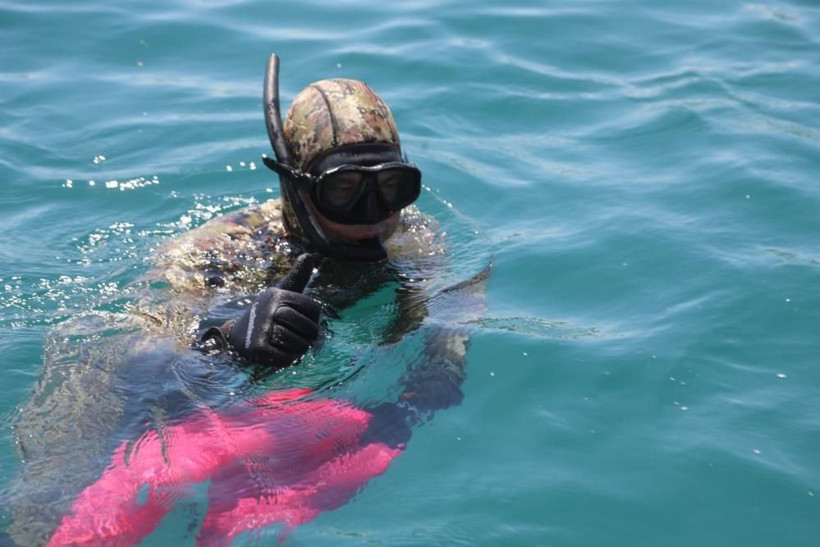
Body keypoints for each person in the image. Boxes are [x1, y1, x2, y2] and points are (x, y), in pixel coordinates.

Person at [6, 54, 488, 545]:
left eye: (391, 187)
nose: (373, 215)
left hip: (293, 406)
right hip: (179, 393)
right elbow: (131, 353)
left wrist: (407, 408)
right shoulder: (220, 249)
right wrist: (223, 344)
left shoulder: (416, 240)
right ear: (297, 186)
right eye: (342, 192)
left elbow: (445, 337)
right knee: (72, 488)